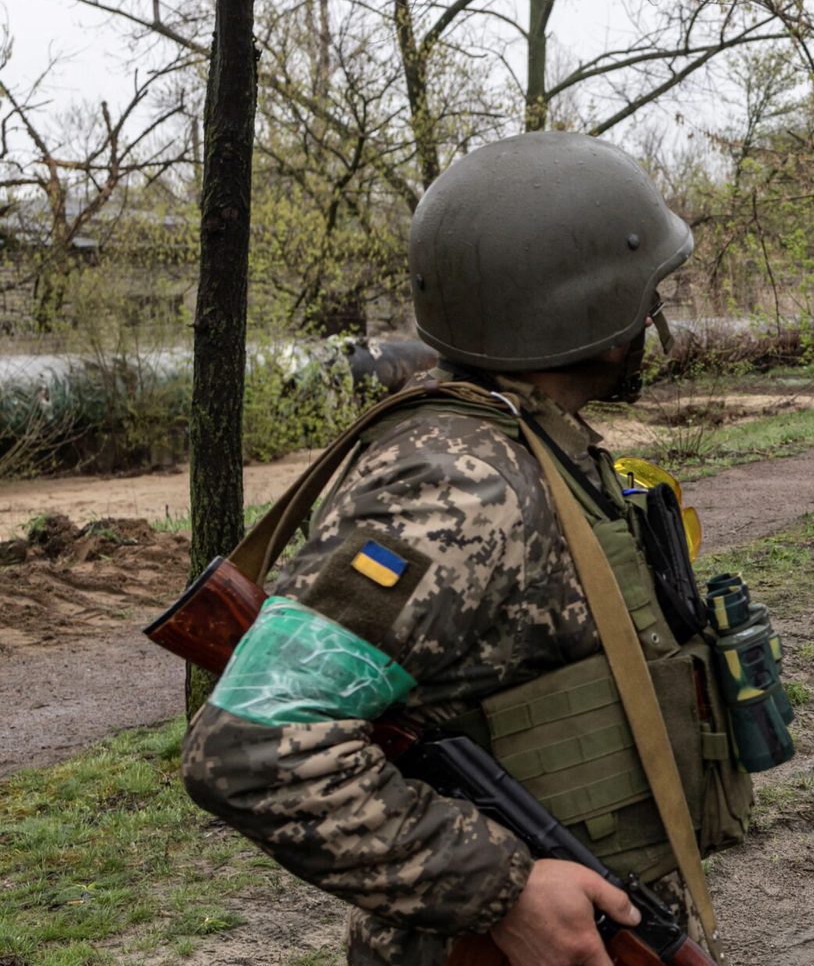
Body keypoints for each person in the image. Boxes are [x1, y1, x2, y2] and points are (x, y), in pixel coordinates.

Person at [180, 131, 747, 966]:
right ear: (590, 308)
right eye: (646, 293)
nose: (654, 314)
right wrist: (501, 887)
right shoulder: (458, 480)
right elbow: (252, 741)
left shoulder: (529, 443)